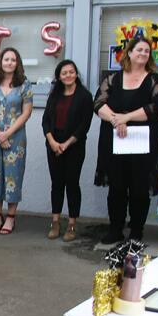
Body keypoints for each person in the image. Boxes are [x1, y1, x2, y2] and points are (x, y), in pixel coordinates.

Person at [93, 35, 158, 243]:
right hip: (115, 139)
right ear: (129, 53)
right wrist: (118, 121)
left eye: (147, 51)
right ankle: (115, 229)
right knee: (117, 187)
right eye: (139, 50)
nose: (143, 53)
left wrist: (127, 117)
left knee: (139, 188)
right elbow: (99, 103)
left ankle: (136, 231)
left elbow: (157, 107)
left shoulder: (155, 79)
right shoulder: (112, 79)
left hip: (144, 143)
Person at [41, 60, 96, 242]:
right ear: (59, 76)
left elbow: (84, 125)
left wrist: (67, 144)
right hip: (53, 145)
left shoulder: (85, 96)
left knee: (72, 184)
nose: (68, 75)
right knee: (56, 184)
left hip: (74, 146)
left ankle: (72, 223)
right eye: (64, 73)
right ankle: (55, 222)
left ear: (76, 74)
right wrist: (53, 142)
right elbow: (46, 121)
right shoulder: (54, 95)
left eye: (71, 72)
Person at [0, 48, 33, 234]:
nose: (9, 62)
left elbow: (26, 112)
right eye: (6, 59)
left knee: (13, 175)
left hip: (16, 137)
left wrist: (8, 133)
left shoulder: (25, 85)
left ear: (17, 63)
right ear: (1, 62)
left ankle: (10, 218)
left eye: (13, 59)